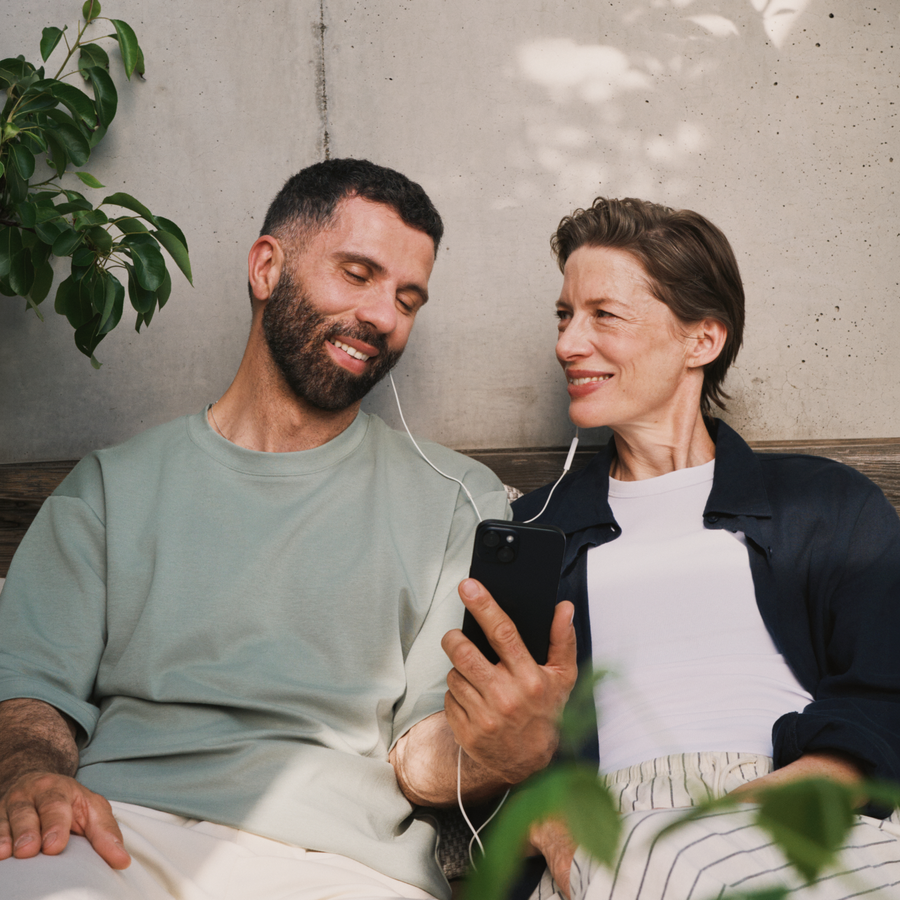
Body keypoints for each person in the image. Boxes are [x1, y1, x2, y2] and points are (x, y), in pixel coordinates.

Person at [0, 159, 577, 900]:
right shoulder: (111, 487)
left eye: (407, 299)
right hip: (115, 830)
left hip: (338, 861)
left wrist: (501, 749)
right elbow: (29, 693)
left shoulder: (457, 497)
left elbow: (420, 755)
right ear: (267, 268)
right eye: (358, 274)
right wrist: (30, 774)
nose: (383, 316)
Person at [513, 197, 900, 900]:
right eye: (565, 316)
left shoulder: (827, 504)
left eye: (604, 315)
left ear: (702, 340)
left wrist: (742, 814)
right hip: (614, 834)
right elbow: (491, 735)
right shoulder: (536, 532)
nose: (569, 344)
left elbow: (886, 693)